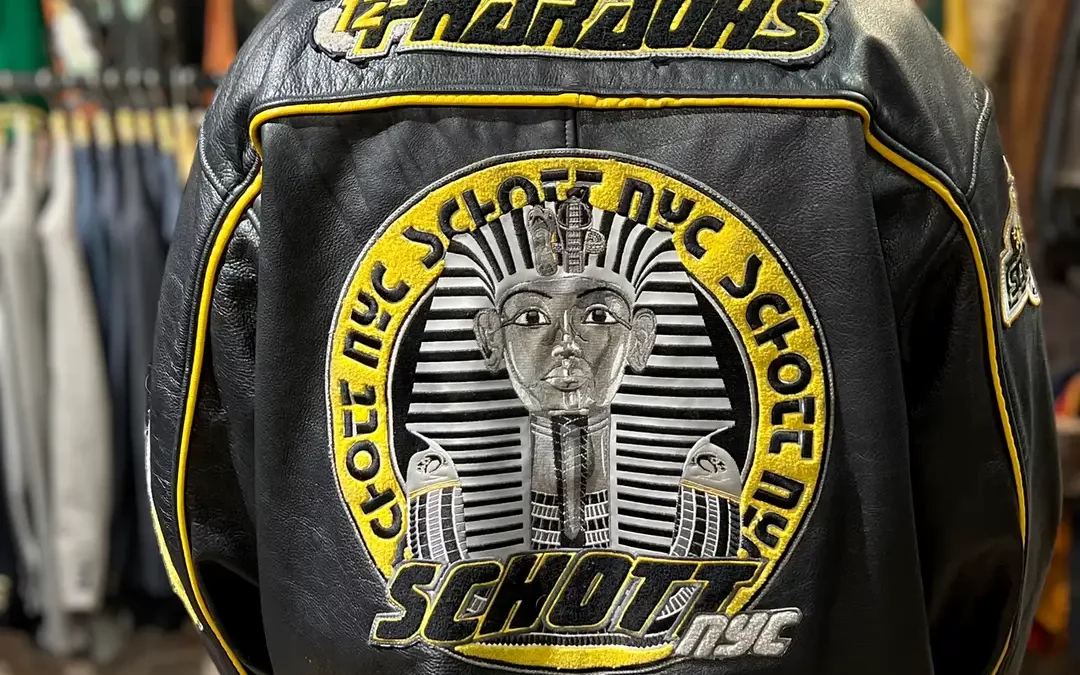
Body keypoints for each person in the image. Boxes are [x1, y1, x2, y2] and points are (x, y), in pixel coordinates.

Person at [148, 0, 1061, 673]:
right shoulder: (894, 74)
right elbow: (994, 538)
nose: (565, 350)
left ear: (647, 334)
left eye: (597, 314)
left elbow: (209, 530)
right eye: (530, 317)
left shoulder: (289, 80)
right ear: (486, 336)